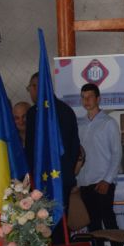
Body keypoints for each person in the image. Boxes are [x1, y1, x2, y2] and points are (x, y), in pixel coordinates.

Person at [25, 72, 81, 237]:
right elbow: (74, 147)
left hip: (45, 179)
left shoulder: (36, 113)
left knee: (48, 225)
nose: (30, 92)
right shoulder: (65, 110)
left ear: (37, 87)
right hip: (60, 178)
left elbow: (31, 149)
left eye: (30, 88)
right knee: (57, 224)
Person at [77, 83, 123, 246]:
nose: (86, 100)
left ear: (98, 99)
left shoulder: (108, 123)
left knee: (109, 222)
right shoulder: (79, 124)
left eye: (90, 97)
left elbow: (117, 153)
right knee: (93, 225)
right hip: (84, 182)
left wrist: (107, 180)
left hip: (103, 181)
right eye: (83, 97)